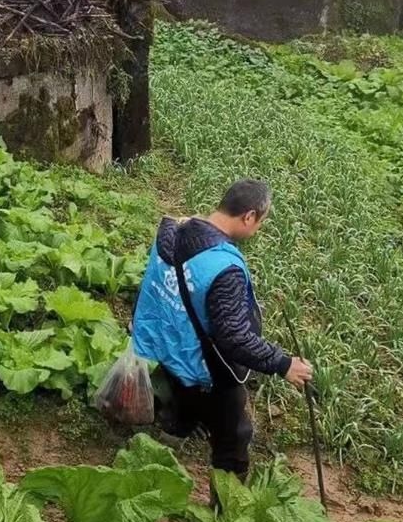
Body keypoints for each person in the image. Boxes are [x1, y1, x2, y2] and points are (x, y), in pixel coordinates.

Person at [132, 179, 312, 482]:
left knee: (184, 398)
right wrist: (284, 364)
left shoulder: (172, 230)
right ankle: (227, 514)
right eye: (260, 222)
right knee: (234, 436)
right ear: (249, 216)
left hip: (169, 346)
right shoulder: (223, 268)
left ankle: (171, 437)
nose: (258, 230)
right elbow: (234, 338)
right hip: (204, 367)